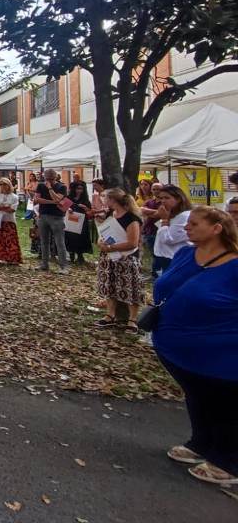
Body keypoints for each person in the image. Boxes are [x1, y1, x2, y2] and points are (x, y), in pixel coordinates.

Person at [152, 206, 238, 487]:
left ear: (216, 229)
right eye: (187, 223)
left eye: (195, 224)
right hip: (176, 346)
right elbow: (163, 287)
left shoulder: (234, 265)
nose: (187, 228)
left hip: (220, 349)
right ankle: (201, 442)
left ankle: (228, 459)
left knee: (223, 401)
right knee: (196, 395)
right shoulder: (185, 255)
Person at [94, 188, 144, 332]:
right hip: (109, 257)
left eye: (106, 198)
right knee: (110, 285)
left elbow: (132, 243)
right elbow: (103, 232)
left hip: (126, 258)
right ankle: (110, 315)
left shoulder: (131, 218)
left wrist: (111, 247)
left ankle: (132, 319)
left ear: (112, 200)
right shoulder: (111, 214)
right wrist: (100, 243)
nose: (104, 200)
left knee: (130, 287)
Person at [150, 184, 192, 280]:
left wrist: (164, 219)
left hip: (175, 259)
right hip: (163, 257)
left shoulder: (184, 216)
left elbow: (168, 239)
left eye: (167, 198)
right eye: (161, 198)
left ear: (178, 199)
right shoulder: (172, 214)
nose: (163, 201)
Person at [33, 169, 69, 274]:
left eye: (50, 178)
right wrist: (53, 201)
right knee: (44, 241)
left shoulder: (62, 187)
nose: (48, 180)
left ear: (55, 177)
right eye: (46, 178)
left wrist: (49, 188)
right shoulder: (40, 186)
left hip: (57, 217)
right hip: (43, 215)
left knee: (59, 242)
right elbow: (37, 199)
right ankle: (44, 264)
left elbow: (58, 198)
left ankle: (63, 267)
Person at [64, 179, 94, 266]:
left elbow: (89, 210)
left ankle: (80, 255)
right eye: (78, 189)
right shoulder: (69, 197)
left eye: (81, 189)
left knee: (80, 237)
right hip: (70, 220)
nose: (79, 191)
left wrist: (85, 207)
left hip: (81, 220)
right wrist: (68, 208)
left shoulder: (84, 198)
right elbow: (63, 206)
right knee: (70, 236)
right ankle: (71, 254)